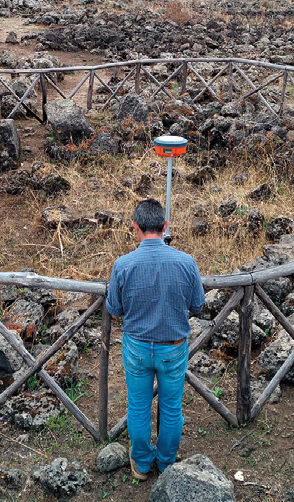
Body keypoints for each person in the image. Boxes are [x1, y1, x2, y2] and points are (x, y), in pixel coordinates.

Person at [106, 198, 204, 480]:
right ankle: (165, 462)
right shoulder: (186, 262)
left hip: (137, 347)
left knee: (138, 406)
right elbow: (197, 305)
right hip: (173, 348)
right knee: (172, 407)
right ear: (165, 226)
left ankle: (141, 463)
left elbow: (114, 309)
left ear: (135, 226)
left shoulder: (123, 265)